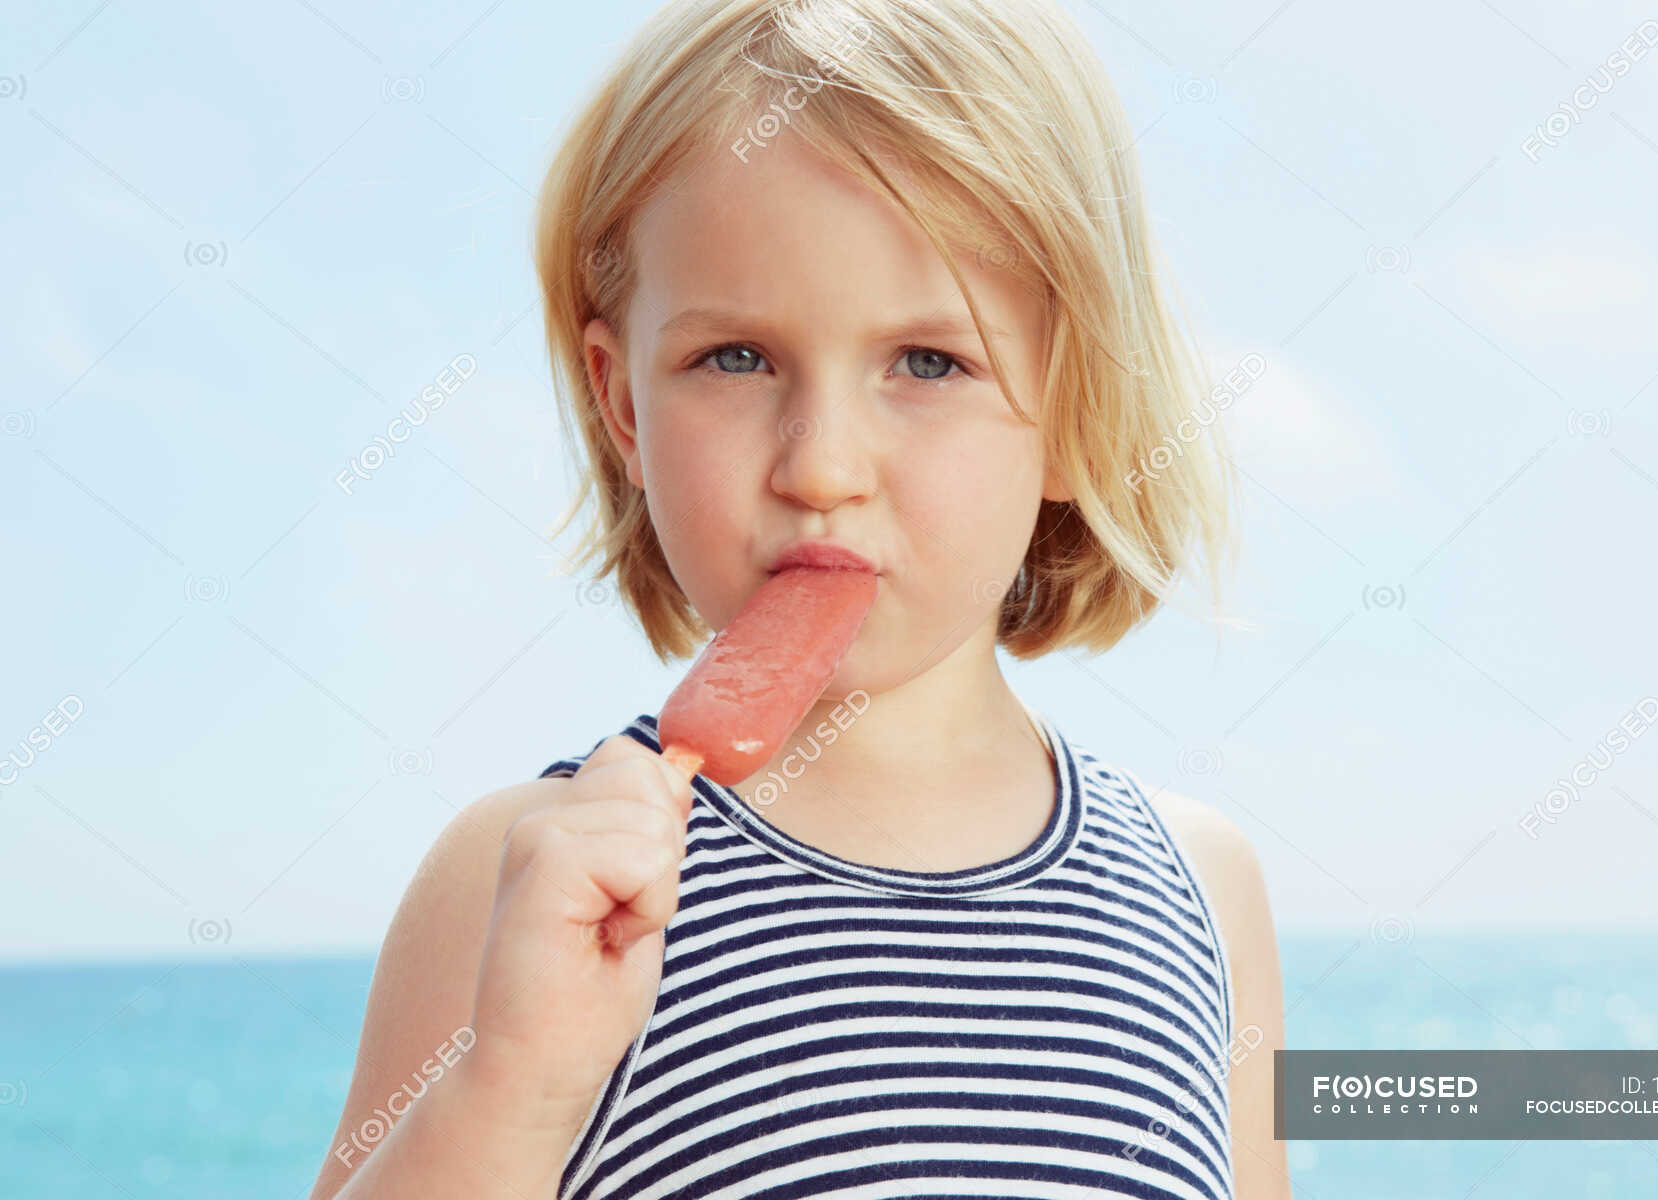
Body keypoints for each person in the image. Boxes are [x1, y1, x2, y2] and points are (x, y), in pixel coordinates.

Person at [308, 1, 1287, 1197]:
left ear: (1080, 411)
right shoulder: (531, 882)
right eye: (736, 359)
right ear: (624, 410)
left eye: (929, 362)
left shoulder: (1198, 888)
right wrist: (512, 1087)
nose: (821, 463)